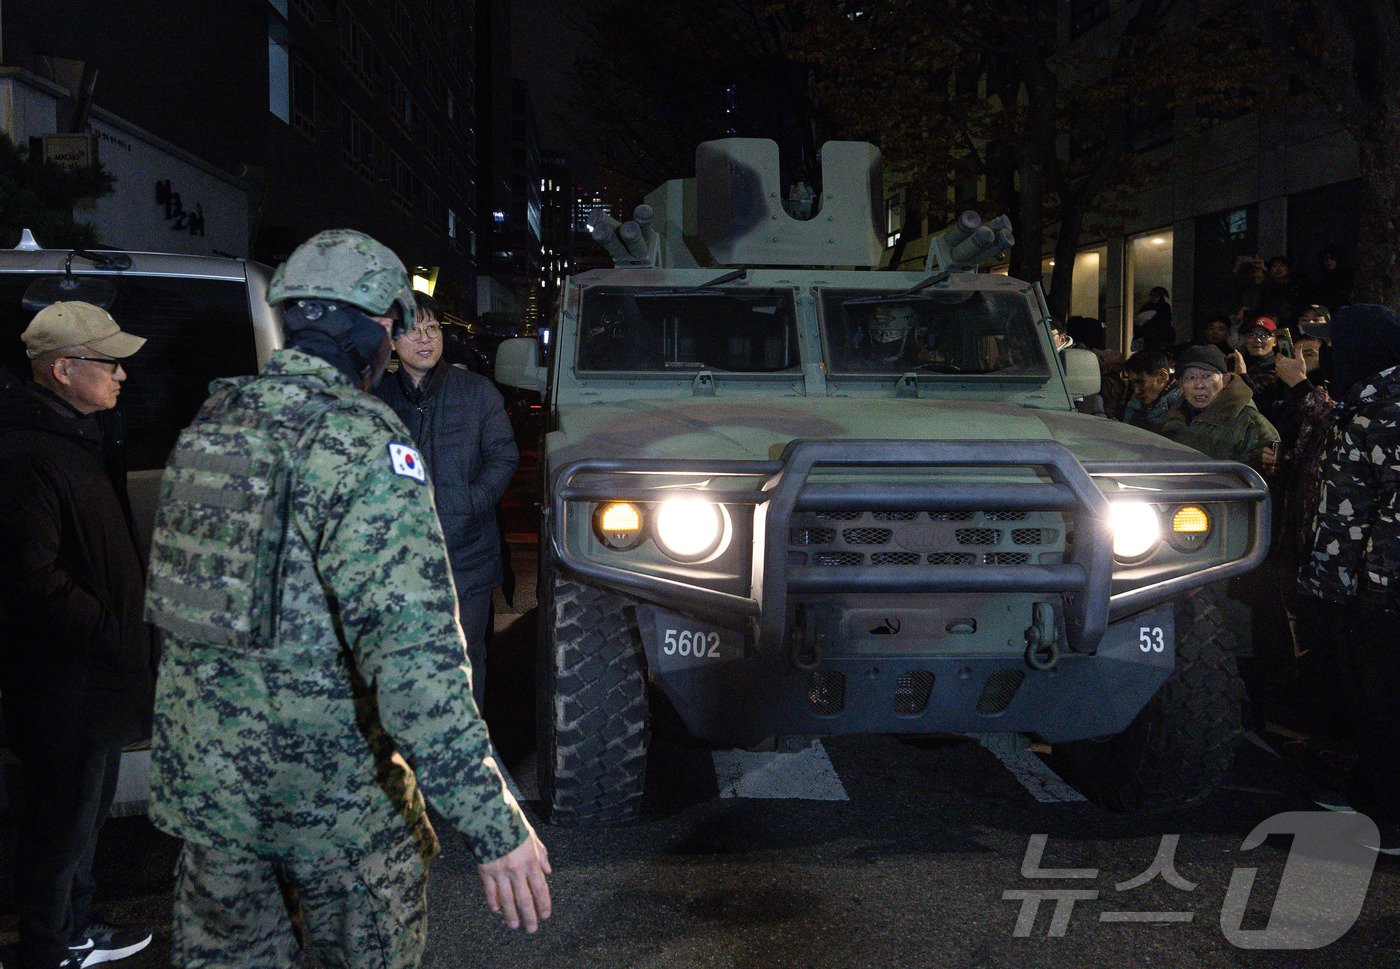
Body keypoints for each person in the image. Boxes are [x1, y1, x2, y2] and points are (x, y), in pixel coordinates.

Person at [144, 230, 551, 967]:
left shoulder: (213, 425)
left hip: (212, 793)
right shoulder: (363, 440)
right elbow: (415, 661)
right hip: (331, 797)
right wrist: (494, 825)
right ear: (375, 327)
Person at [0, 302, 155, 969]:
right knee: (58, 822)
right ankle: (45, 946)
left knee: (82, 817)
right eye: (107, 362)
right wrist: (108, 628)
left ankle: (75, 927)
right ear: (63, 369)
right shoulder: (28, 453)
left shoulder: (77, 438)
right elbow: (32, 577)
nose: (122, 374)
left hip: (91, 678)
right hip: (61, 679)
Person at [375, 292, 519, 711]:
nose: (425, 339)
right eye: (413, 330)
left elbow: (503, 455)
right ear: (393, 340)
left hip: (466, 555)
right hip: (399, 559)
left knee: (466, 655)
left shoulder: (476, 393)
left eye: (433, 328)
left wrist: (471, 501)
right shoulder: (377, 399)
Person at [1297, 304, 1400, 840]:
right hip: (1380, 580)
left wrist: (1347, 587)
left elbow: (1367, 512)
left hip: (1384, 586)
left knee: (1383, 693)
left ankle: (1385, 811)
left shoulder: (1377, 409)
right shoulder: (1375, 400)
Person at [1158, 344, 1279, 473]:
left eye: (1207, 376)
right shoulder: (1171, 418)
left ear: (1225, 380)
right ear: (1180, 385)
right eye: (1190, 377)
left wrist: (1262, 461)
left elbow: (1269, 475)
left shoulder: (1249, 422)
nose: (1199, 385)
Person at [1120, 348, 1180, 434]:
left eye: (1140, 382)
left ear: (1162, 376)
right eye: (1133, 385)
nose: (1136, 391)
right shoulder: (1135, 402)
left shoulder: (1182, 404)